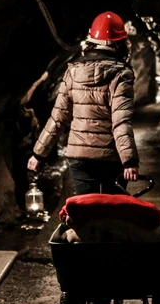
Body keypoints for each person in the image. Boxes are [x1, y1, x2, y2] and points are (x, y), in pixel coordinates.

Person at [27, 11, 139, 195]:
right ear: (121, 43)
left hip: (79, 157)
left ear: (91, 40)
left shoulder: (73, 72)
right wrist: (129, 161)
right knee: (114, 211)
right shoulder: (121, 75)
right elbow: (121, 123)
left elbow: (57, 119)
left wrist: (38, 154)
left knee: (85, 212)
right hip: (111, 158)